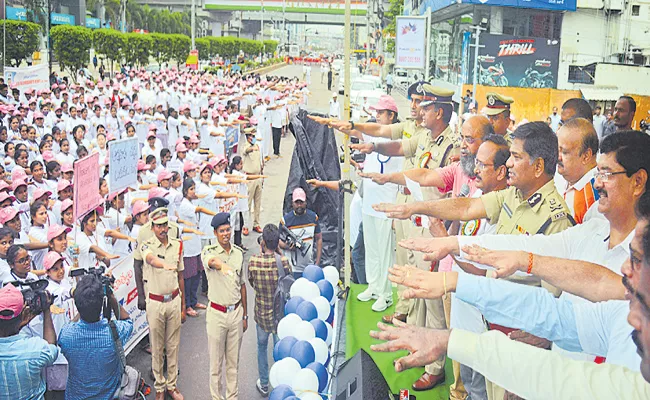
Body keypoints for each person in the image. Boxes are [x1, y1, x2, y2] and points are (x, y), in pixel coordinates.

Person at [58, 274, 134, 400]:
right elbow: (128, 322)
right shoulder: (114, 331)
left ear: (77, 305)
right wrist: (111, 296)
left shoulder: (66, 335)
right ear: (101, 302)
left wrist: (82, 306)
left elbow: (71, 324)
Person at [138, 207, 186, 400]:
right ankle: (160, 387)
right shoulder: (145, 245)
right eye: (158, 226)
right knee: (157, 347)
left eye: (165, 224)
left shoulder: (177, 245)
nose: (163, 229)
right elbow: (149, 259)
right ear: (152, 227)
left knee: (173, 346)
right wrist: (163, 264)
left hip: (174, 299)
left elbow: (181, 275)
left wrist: (183, 305)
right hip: (155, 303)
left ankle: (172, 385)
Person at [201, 212, 248, 400]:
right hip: (217, 315)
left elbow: (242, 285)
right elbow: (212, 262)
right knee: (215, 365)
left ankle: (232, 397)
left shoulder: (238, 253)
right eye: (222, 231)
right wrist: (223, 266)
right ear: (215, 232)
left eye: (228, 230)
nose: (226, 234)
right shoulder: (208, 251)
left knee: (233, 363)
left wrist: (244, 315)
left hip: (236, 313)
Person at [248, 224, 291, 396]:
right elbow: (287, 283)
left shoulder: (253, 261)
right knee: (280, 349)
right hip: (279, 315)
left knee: (261, 347)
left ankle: (264, 383)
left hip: (261, 314)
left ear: (263, 242)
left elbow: (252, 283)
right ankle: (281, 383)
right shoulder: (284, 262)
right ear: (278, 242)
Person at [0, 283, 58, 400]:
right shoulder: (36, 349)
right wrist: (46, 310)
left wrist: (20, 322)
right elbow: (51, 347)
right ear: (24, 314)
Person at [280, 188, 323, 279]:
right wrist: (288, 247)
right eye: (297, 202)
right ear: (292, 203)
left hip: (310, 267)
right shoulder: (285, 221)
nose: (299, 205)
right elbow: (278, 241)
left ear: (306, 202)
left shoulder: (313, 218)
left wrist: (317, 263)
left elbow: (319, 238)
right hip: (292, 269)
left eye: (301, 202)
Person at [241, 127, 264, 234]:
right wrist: (251, 148)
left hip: (258, 176)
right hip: (249, 177)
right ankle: (245, 226)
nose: (253, 138)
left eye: (254, 136)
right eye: (251, 136)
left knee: (258, 203)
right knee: (247, 203)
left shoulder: (257, 146)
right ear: (247, 137)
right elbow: (246, 151)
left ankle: (256, 224)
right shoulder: (245, 147)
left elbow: (260, 161)